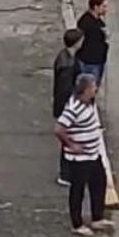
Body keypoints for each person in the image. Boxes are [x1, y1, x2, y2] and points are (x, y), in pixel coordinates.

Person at [55, 74, 114, 237]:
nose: (96, 89)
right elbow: (59, 129)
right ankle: (77, 223)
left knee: (99, 183)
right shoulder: (74, 108)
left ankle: (97, 217)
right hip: (80, 159)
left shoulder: (89, 103)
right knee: (78, 190)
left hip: (93, 154)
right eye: (94, 86)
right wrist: (72, 145)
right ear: (86, 89)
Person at [53, 28, 84, 186]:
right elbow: (66, 90)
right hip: (66, 108)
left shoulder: (66, 57)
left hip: (63, 106)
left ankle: (69, 171)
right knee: (69, 138)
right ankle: (66, 173)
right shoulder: (68, 65)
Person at [76, 0, 110, 86]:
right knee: (88, 90)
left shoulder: (97, 21)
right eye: (104, 6)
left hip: (97, 62)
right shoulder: (86, 23)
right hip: (90, 64)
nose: (106, 9)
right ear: (96, 7)